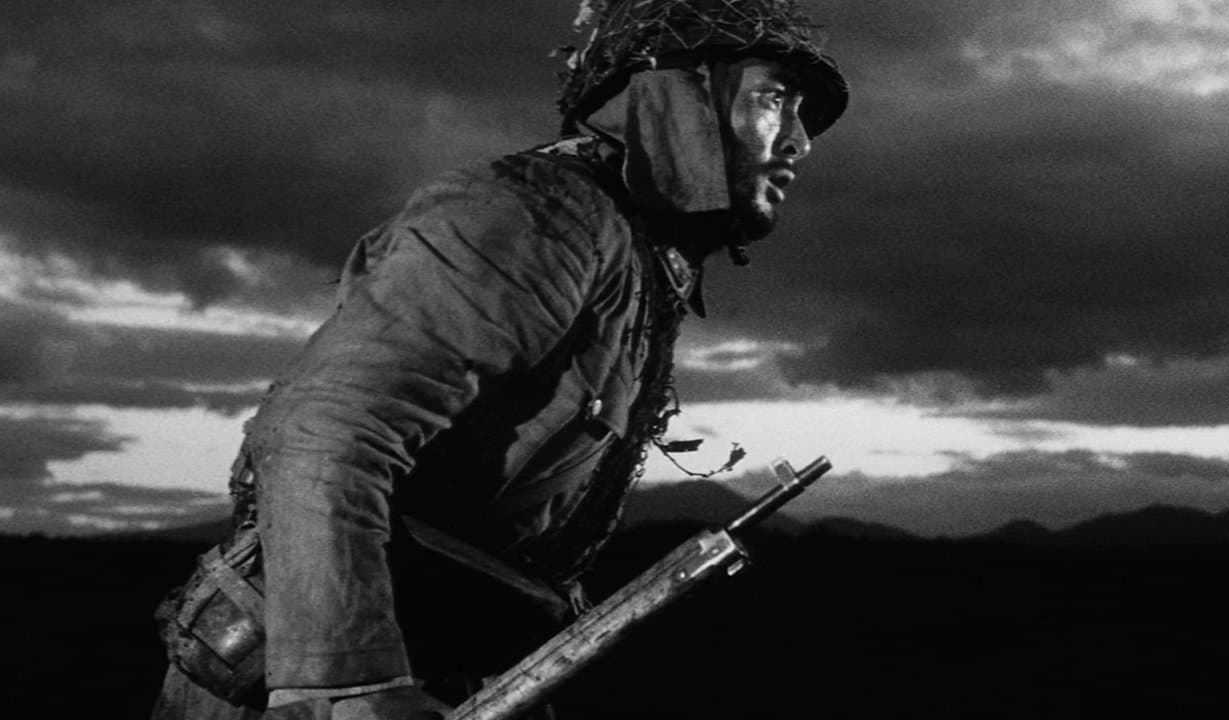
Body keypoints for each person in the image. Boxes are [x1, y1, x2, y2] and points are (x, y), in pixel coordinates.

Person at [150, 1, 847, 718]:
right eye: (773, 99)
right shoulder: (535, 213)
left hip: (441, 669)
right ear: (680, 98)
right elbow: (323, 428)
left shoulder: (631, 253)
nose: (800, 141)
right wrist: (346, 683)